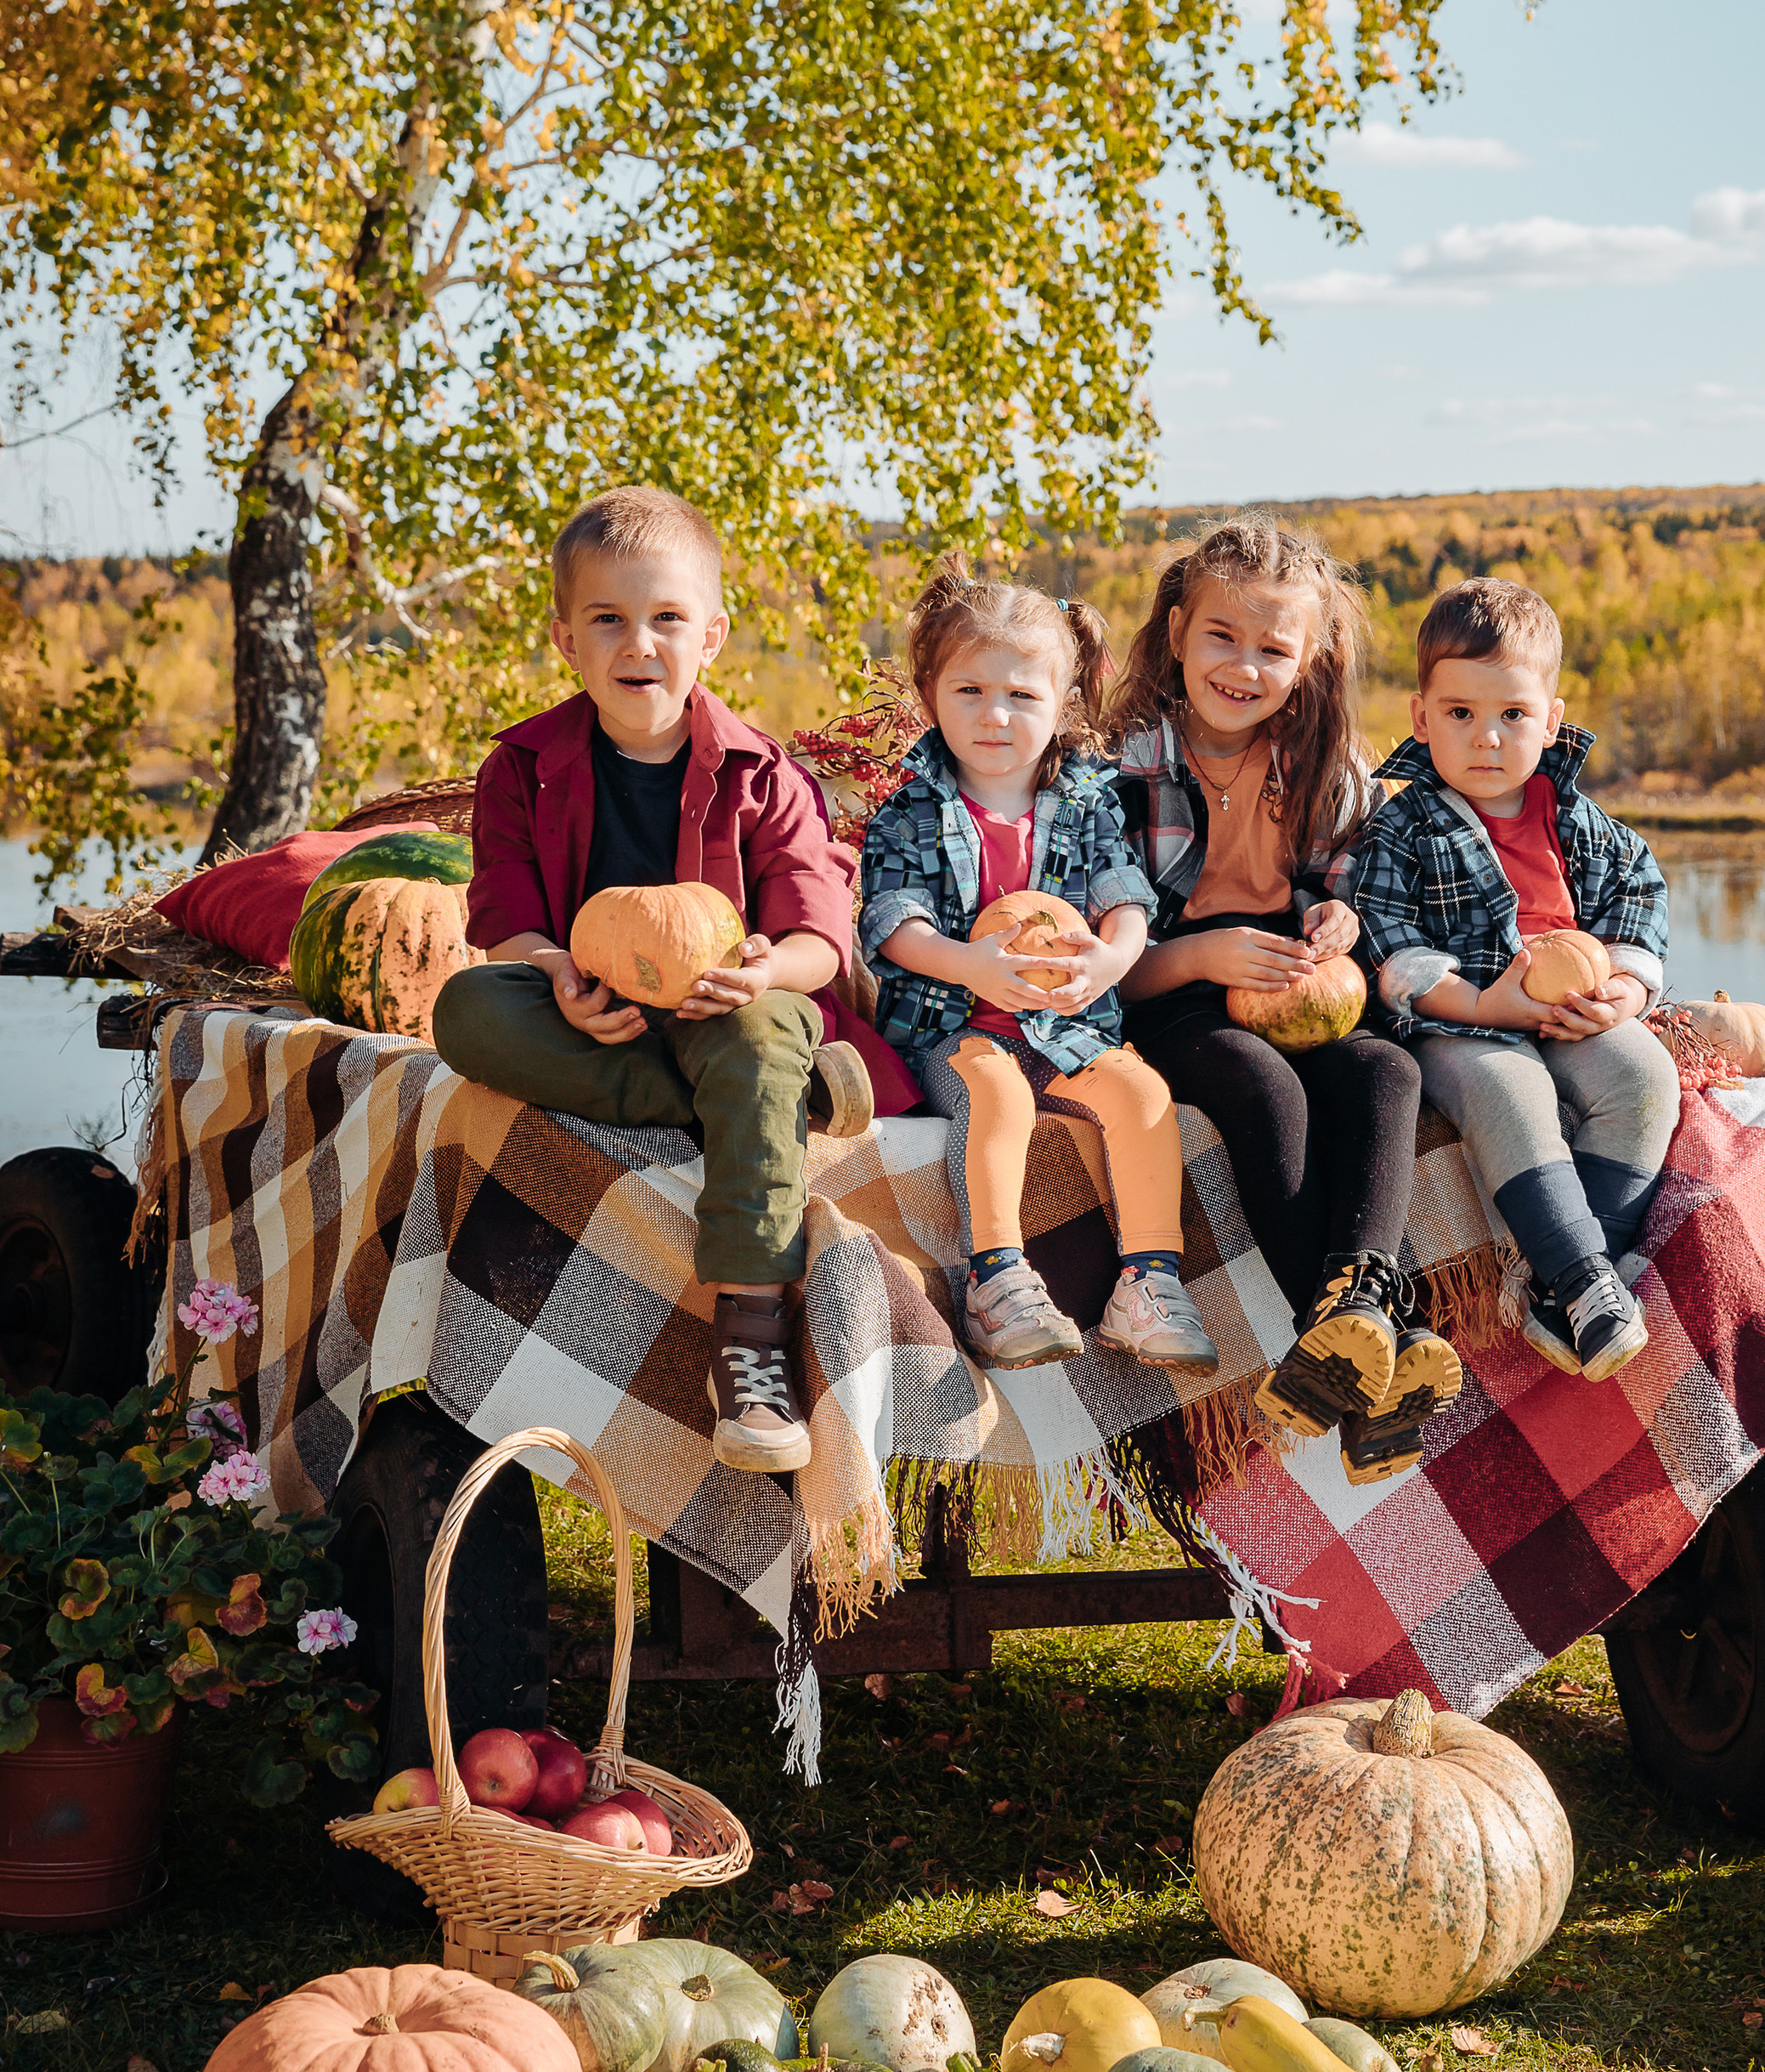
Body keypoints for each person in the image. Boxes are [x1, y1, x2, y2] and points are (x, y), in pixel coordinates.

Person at [431, 486, 869, 1478]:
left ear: (710, 635)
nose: (641, 644)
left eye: (667, 619)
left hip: (727, 1009)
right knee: (464, 1009)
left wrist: (764, 969)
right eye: (609, 621)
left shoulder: (766, 775)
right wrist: (555, 975)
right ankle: (770, 1103)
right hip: (596, 1015)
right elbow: (503, 918)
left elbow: (818, 936)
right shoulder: (520, 767)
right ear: (565, 640)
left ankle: (749, 1333)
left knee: (762, 1034)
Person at [1109, 517, 1462, 1481]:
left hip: (1292, 987)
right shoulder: (1119, 768)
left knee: (1384, 1070)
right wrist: (1202, 954)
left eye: (1274, 648)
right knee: (1260, 1083)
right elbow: (1107, 968)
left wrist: (1339, 925)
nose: (1243, 666)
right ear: (1177, 630)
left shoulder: (1320, 771)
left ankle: (1352, 1314)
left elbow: (1353, 897)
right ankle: (1376, 1346)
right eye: (1222, 636)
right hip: (1170, 997)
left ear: (1307, 663)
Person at [859, 558, 1213, 1375]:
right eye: (971, 692)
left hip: (1066, 1024)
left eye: (1023, 695)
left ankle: (1148, 1281)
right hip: (954, 1029)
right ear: (930, 698)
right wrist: (966, 965)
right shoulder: (913, 805)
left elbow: (1125, 895)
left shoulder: (1087, 800)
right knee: (998, 1095)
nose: (996, 716)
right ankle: (996, 1281)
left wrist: (1113, 956)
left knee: (1142, 1093)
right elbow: (891, 919)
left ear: (1064, 705)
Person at [1333, 575, 1681, 1383]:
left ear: (1551, 721)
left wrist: (1623, 992)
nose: (1485, 738)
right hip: (1462, 1019)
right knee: (1510, 1091)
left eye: (1512, 716)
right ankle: (1579, 1273)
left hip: (1570, 1011)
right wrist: (1483, 1003)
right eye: (1460, 715)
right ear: (1422, 718)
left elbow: (1639, 897)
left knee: (1643, 1075)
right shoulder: (1407, 824)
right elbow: (1392, 945)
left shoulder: (1580, 823)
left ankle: (1576, 1281)